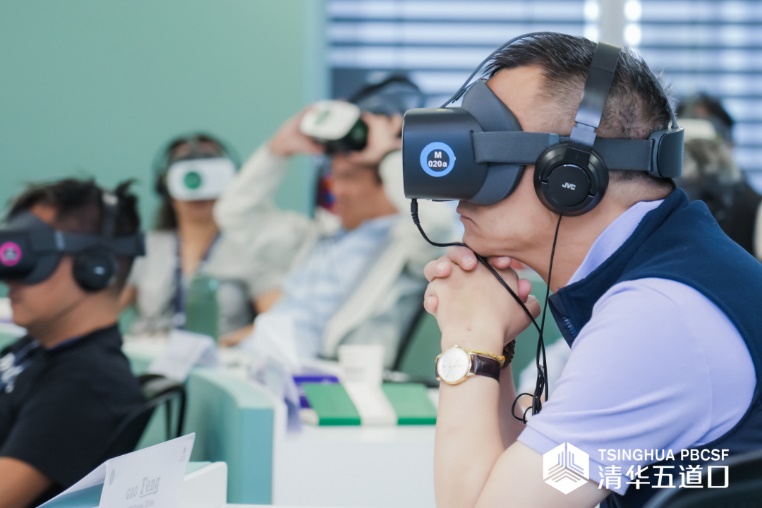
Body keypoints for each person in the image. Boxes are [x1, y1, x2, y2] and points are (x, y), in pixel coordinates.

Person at [417, 33, 761, 507]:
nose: (461, 181)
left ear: (569, 175)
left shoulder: (657, 317)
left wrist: (467, 342)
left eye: (486, 154)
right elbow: (541, 479)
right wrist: (492, 347)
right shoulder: (665, 268)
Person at [214, 99, 455, 367]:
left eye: (349, 177)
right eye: (334, 175)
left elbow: (438, 224)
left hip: (322, 376)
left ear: (388, 184)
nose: (335, 189)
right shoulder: (316, 237)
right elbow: (235, 214)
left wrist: (388, 155)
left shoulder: (406, 250)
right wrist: (277, 151)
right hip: (256, 360)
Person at [0, 178, 146, 506]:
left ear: (94, 267)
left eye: (30, 255)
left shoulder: (87, 384)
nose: (9, 277)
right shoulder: (34, 350)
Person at [120, 133, 280, 344]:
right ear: (165, 185)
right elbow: (103, 310)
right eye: (189, 177)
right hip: (147, 354)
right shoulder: (146, 247)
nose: (199, 189)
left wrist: (226, 343)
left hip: (218, 356)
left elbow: (278, 321)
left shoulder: (249, 249)